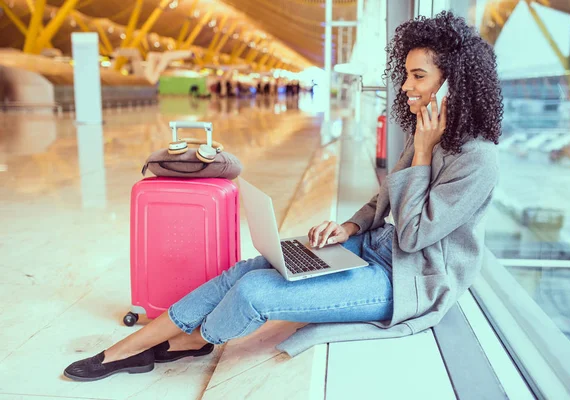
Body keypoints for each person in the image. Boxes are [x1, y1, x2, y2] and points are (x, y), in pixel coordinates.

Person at [64, 11, 503, 381]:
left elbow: (412, 235)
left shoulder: (476, 159)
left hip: (410, 281)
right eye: (406, 74)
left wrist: (423, 154)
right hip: (374, 248)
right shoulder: (429, 132)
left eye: (418, 76)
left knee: (256, 293)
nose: (405, 86)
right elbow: (385, 200)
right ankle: (129, 347)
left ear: (453, 83)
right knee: (256, 265)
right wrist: (349, 226)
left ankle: (189, 341)